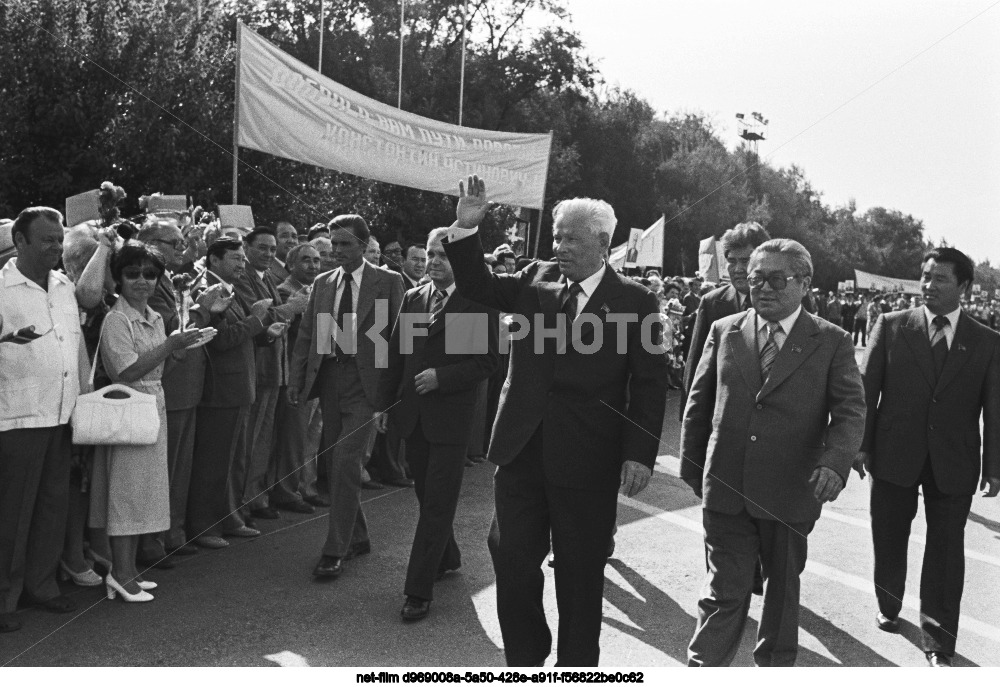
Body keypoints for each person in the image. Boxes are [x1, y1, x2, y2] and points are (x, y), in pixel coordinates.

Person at [443, 176, 667, 666]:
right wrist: (466, 226)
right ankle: (525, 659)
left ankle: (575, 667)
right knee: (512, 559)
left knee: (579, 573)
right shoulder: (534, 279)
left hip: (588, 459)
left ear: (603, 244)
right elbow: (476, 283)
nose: (559, 246)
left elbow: (649, 386)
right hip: (520, 450)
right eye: (557, 237)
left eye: (572, 238)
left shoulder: (636, 300)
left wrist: (639, 454)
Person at [680, 238, 866, 666]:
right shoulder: (724, 330)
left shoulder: (831, 341)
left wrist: (835, 464)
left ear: (803, 283)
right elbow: (699, 402)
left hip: (790, 491)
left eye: (776, 279)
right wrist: (695, 469)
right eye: (755, 278)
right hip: (725, 485)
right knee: (724, 591)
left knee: (781, 594)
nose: (762, 288)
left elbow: (851, 411)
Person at [855, 247, 1000, 667]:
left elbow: (995, 410)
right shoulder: (892, 326)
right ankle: (889, 600)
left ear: (964, 287)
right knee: (888, 537)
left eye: (939, 279)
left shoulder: (988, 342)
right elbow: (867, 391)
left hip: (954, 462)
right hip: (892, 454)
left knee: (946, 551)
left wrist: (994, 467)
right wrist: (861, 445)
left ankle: (938, 641)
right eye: (924, 276)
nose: (927, 285)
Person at [374, 227, 499, 621]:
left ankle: (418, 590)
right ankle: (448, 556)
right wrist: (382, 406)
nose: (434, 262)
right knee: (428, 498)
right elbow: (397, 355)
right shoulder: (413, 299)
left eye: (443, 255)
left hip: (450, 422)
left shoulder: (477, 303)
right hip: (413, 418)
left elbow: (485, 363)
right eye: (430, 254)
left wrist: (441, 378)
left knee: (437, 504)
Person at [288, 214, 404, 580]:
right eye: (333, 244)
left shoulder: (388, 282)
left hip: (368, 385)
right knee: (340, 464)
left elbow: (400, 339)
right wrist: (297, 379)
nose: (336, 252)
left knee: (343, 462)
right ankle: (358, 535)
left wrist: (392, 394)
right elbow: (309, 334)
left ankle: (334, 550)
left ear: (364, 245)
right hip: (332, 379)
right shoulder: (324, 283)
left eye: (345, 245)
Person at [89, 242, 205, 602]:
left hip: (153, 403)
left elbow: (158, 368)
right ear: (119, 279)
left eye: (150, 274)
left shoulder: (154, 317)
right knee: (127, 491)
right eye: (133, 273)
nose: (142, 281)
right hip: (129, 406)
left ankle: (129, 570)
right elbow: (125, 371)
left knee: (145, 489)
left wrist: (179, 350)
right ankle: (120, 573)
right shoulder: (116, 319)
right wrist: (169, 348)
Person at [0, 207, 89, 632]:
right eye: (47, 240)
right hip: (17, 416)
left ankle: (42, 585)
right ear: (19, 241)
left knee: (53, 504)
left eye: (60, 239)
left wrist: (82, 402)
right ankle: (4, 599)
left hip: (62, 413)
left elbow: (74, 346)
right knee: (11, 513)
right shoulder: (1, 288)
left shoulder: (63, 286)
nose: (57, 247)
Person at [137, 219, 231, 565]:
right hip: (169, 383)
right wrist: (201, 307)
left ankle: (171, 533)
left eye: (181, 243)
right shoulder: (147, 283)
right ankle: (154, 540)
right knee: (163, 468)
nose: (180, 249)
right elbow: (170, 329)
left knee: (178, 467)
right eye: (172, 243)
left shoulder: (170, 280)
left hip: (186, 385)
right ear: (148, 244)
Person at [186, 237, 275, 549]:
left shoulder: (227, 287)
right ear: (213, 260)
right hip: (220, 388)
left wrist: (263, 329)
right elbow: (221, 339)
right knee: (214, 461)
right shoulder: (207, 289)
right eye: (235, 258)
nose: (241, 264)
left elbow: (241, 336)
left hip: (237, 386)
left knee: (233, 459)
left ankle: (228, 516)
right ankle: (203, 525)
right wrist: (257, 318)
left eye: (241, 259)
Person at [681, 221, 770, 422]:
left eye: (745, 261)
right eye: (731, 261)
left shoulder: (783, 301)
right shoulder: (712, 303)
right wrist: (690, 418)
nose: (738, 269)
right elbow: (696, 365)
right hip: (720, 418)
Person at [270, 244, 327, 511]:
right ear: (291, 264)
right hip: (296, 374)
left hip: (317, 374)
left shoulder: (319, 290)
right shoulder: (285, 292)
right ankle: (287, 490)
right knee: (294, 438)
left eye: (316, 260)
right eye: (306, 260)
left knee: (311, 436)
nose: (313, 265)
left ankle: (306, 486)